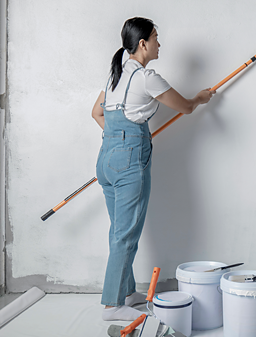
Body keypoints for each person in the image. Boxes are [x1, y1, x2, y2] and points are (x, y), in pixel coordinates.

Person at [92, 17, 215, 321]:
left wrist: (117, 137)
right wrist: (201, 97)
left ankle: (125, 292)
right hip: (130, 161)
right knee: (125, 234)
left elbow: (96, 113)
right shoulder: (147, 77)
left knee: (119, 232)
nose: (160, 43)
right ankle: (111, 306)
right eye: (157, 38)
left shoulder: (114, 77)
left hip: (106, 159)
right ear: (144, 43)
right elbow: (185, 107)